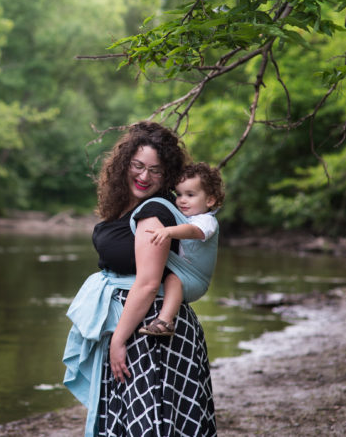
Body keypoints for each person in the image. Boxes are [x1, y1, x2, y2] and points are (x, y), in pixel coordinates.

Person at [63, 121, 216, 437]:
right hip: (136, 323)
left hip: (150, 332)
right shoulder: (126, 208)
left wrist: (119, 339)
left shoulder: (153, 213)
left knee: (150, 424)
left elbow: (147, 283)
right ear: (124, 164)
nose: (145, 176)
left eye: (156, 171)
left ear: (168, 175)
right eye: (138, 166)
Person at [137, 162, 225, 337]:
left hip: (195, 279)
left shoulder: (207, 220)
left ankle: (165, 321)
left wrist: (168, 231)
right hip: (185, 272)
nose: (182, 200)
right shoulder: (185, 217)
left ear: (210, 200)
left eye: (190, 195)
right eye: (179, 194)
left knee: (173, 279)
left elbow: (194, 232)